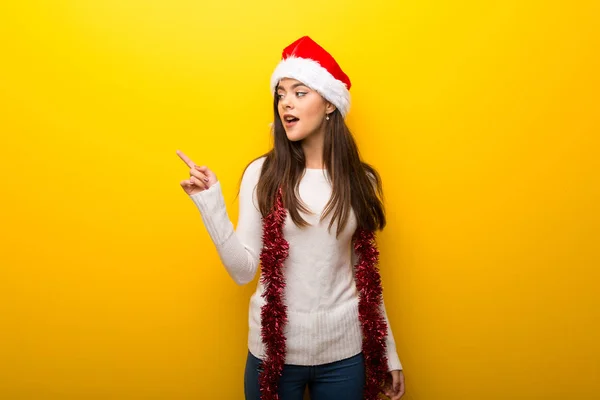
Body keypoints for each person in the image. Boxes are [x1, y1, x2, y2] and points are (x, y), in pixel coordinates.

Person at [176, 36, 405, 400]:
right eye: (281, 93)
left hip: (345, 355)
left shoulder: (362, 180)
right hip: (274, 354)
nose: (285, 103)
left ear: (329, 104)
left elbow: (367, 277)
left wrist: (388, 351)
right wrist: (210, 204)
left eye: (300, 92)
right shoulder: (263, 174)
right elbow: (243, 271)